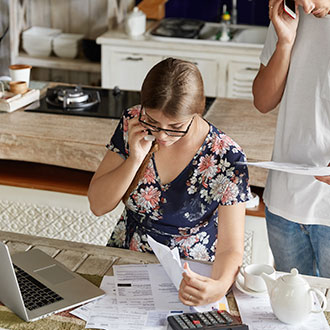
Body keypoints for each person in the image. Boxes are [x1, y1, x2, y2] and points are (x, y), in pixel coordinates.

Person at [88, 58, 251, 305]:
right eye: (153, 123)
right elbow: (98, 205)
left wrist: (218, 286)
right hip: (127, 264)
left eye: (175, 127)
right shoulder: (133, 121)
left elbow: (231, 248)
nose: (162, 136)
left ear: (197, 113)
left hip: (189, 276)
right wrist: (135, 159)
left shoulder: (227, 156)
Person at [253, 0, 330, 277]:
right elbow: (262, 101)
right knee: (289, 316)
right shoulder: (290, 14)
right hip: (285, 203)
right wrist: (284, 42)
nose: (307, 6)